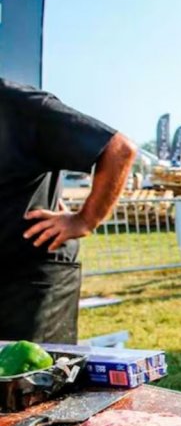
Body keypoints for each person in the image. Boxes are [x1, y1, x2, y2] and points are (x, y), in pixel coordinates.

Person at [0, 78, 136, 343]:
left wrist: (84, 220)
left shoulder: (20, 105)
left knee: (33, 377)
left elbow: (118, 149)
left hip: (31, 277)